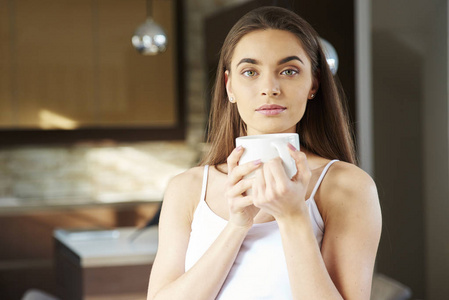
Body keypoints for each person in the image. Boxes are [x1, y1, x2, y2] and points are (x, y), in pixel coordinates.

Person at [147, 6, 381, 300]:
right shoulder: (187, 188)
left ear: (313, 84)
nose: (269, 88)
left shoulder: (348, 186)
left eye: (289, 71)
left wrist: (294, 217)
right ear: (229, 86)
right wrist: (236, 226)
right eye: (250, 72)